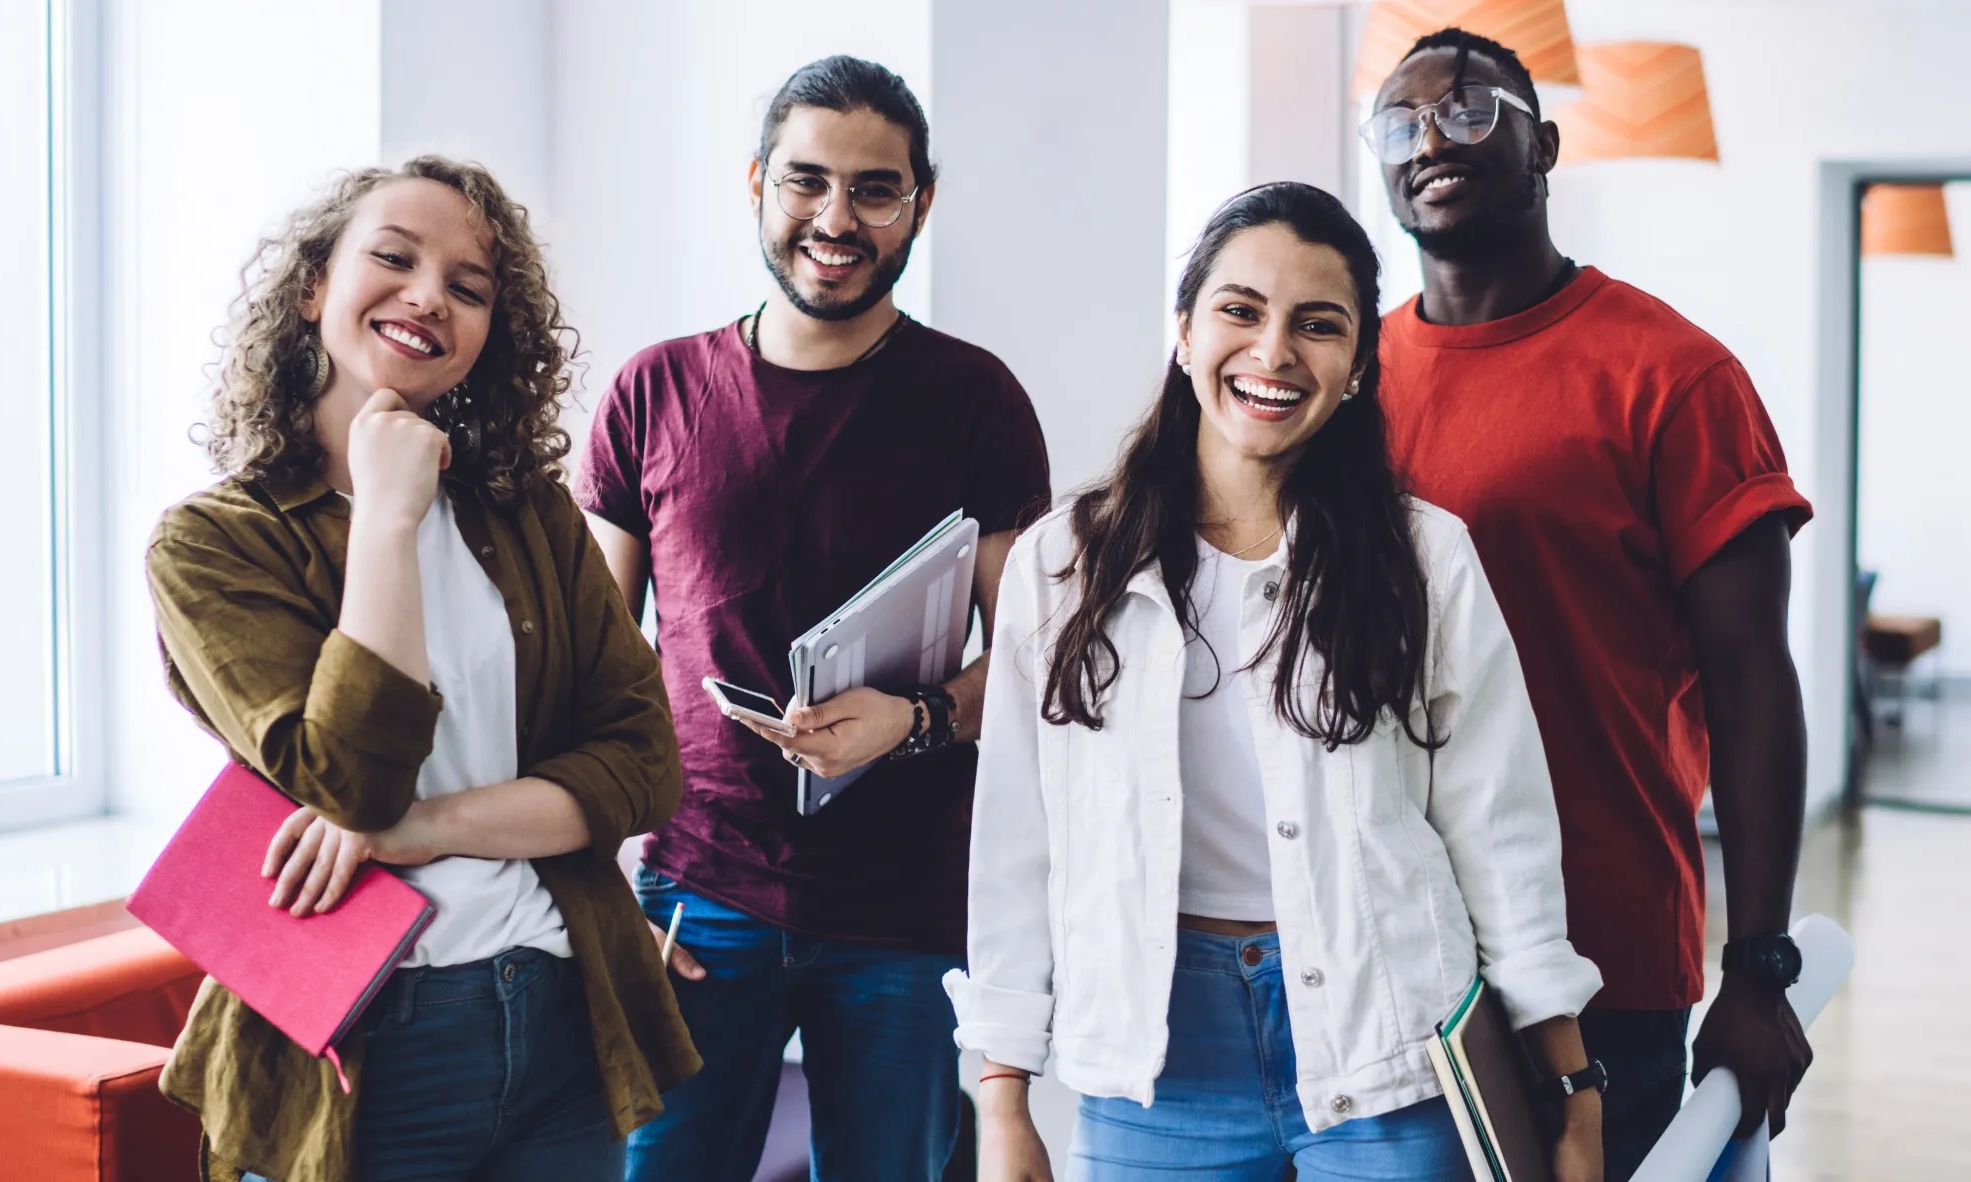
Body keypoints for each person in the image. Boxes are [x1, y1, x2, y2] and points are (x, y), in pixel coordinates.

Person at [952, 181, 1605, 1182]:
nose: (1271, 354)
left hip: (1386, 1037)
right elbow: (1014, 847)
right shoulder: (1059, 564)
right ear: (1181, 331)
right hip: (1156, 1063)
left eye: (1317, 325)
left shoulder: (1424, 559)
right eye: (1239, 311)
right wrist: (1001, 1099)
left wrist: (1570, 1090)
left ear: (1355, 368)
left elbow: (1497, 830)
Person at [146, 156, 698, 1182]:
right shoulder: (211, 546)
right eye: (393, 258)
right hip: (363, 1043)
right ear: (314, 286)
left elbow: (642, 764)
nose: (428, 297)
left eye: (469, 288)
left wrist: (410, 834)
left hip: (559, 1005)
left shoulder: (526, 512)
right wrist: (388, 516)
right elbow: (349, 780)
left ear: (491, 337)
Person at [578, 56, 1051, 1181]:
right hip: (693, 895)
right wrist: (599, 896)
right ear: (756, 185)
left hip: (904, 911)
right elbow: (587, 682)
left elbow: (1037, 664)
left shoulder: (974, 399)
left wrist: (916, 718)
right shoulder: (652, 392)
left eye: (873, 190)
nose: (835, 219)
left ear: (917, 205)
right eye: (805, 182)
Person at [1365, 28, 1816, 1181]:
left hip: (1597, 940)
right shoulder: (1343, 379)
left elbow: (1752, 683)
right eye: (1399, 123)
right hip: (1383, 947)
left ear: (1543, 146)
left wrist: (1756, 967)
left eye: (1468, 113)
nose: (1430, 140)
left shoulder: (1672, 374)